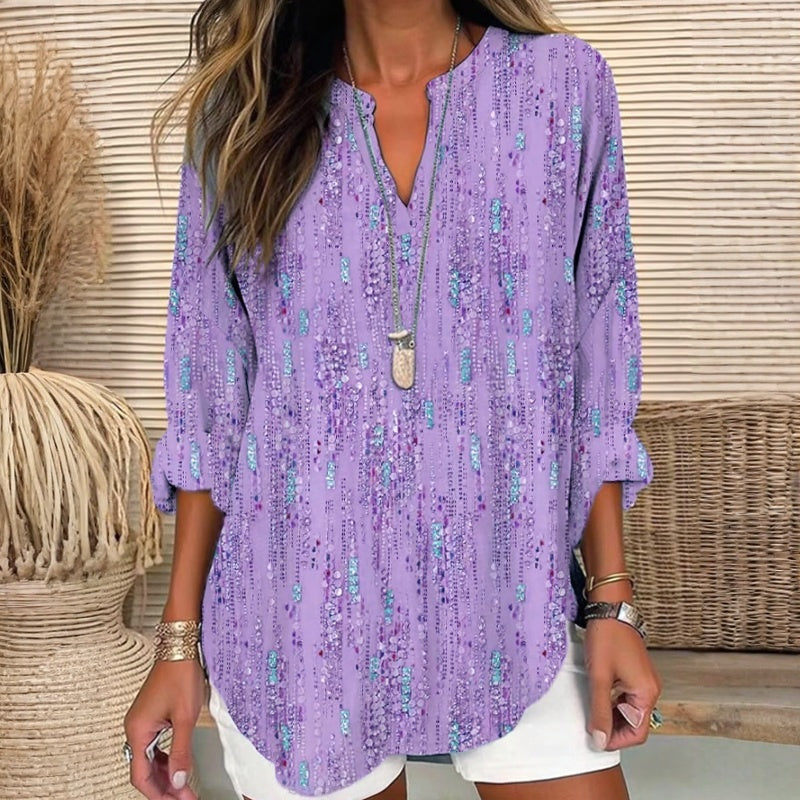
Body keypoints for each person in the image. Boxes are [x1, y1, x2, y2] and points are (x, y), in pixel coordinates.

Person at [124, 1, 662, 799]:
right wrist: (178, 643)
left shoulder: (562, 88)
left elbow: (597, 355)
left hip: (514, 596)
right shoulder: (243, 117)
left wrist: (612, 603)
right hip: (299, 621)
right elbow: (212, 403)